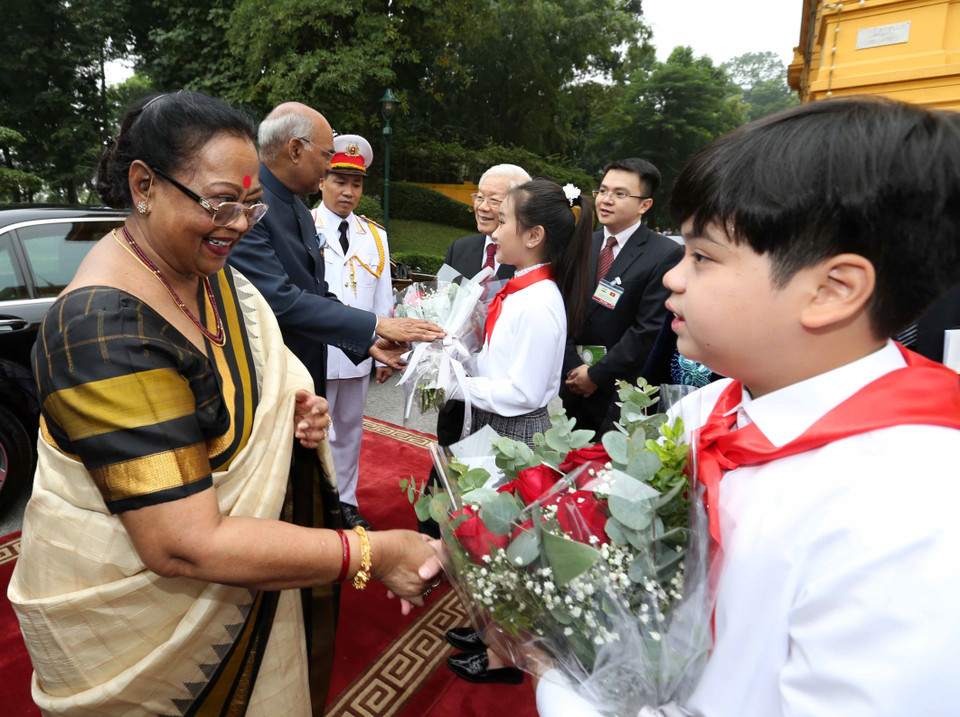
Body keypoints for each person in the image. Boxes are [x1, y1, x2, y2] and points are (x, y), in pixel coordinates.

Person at [6, 91, 438, 717]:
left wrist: (291, 411)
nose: (237, 223)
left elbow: (259, 378)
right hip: (143, 626)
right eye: (220, 202)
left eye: (252, 205)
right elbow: (183, 545)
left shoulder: (212, 273)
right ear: (144, 185)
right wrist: (374, 553)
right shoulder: (100, 329)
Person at [536, 97, 960, 716]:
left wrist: (562, 688)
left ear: (831, 291)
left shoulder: (914, 513)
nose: (675, 279)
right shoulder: (708, 408)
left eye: (702, 258)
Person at [226, 102, 444, 531]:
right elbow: (280, 299)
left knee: (322, 450)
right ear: (294, 150)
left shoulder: (289, 204)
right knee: (272, 481)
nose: (331, 168)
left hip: (311, 362)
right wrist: (376, 325)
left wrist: (367, 343)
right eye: (327, 157)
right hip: (269, 370)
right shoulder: (253, 203)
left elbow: (317, 290)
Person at [444, 178, 594, 686]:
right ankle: (490, 629)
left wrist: (461, 383)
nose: (495, 225)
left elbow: (525, 392)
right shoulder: (520, 288)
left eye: (504, 219)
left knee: (506, 542)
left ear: (533, 236)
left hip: (514, 432)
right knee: (486, 533)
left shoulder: (538, 301)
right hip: (495, 423)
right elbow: (499, 364)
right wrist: (459, 357)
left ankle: (503, 655)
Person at [418, 163, 530, 539]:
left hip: (503, 391)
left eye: (494, 200)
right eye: (479, 197)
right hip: (457, 384)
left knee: (494, 477)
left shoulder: (529, 262)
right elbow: (440, 307)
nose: (482, 207)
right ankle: (436, 532)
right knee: (449, 455)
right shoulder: (462, 248)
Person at [561, 158, 683, 435]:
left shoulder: (663, 254)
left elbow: (648, 329)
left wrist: (595, 375)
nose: (606, 200)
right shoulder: (582, 243)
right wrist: (572, 367)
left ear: (644, 205)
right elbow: (564, 309)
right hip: (572, 383)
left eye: (620, 194)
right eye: (603, 191)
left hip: (618, 390)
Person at [308, 134, 393, 530]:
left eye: (356, 183)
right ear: (322, 180)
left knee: (350, 431)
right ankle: (310, 498)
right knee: (311, 430)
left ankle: (346, 501)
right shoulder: (303, 227)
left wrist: (387, 349)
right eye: (340, 181)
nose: (348, 191)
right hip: (314, 352)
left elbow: (382, 300)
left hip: (360, 353)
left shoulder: (375, 235)